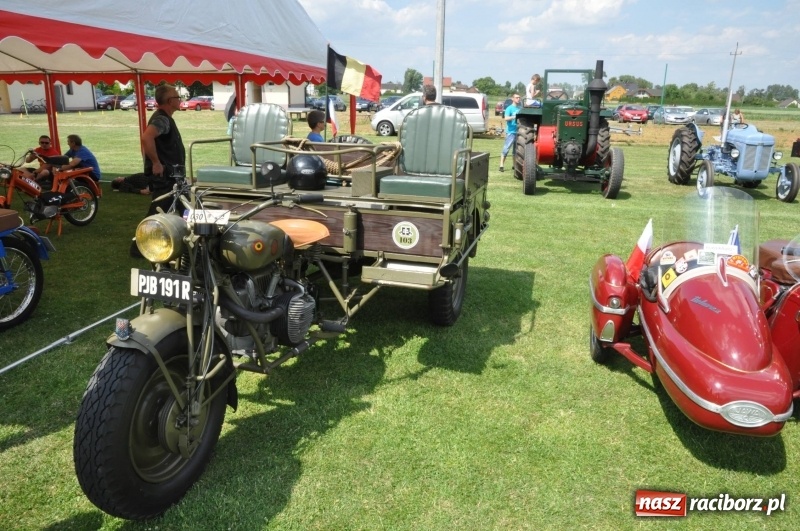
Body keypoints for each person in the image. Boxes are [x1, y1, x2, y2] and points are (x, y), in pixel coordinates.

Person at [141, 84, 185, 215]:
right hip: (166, 177)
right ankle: (147, 234)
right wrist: (156, 163)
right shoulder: (162, 119)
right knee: (158, 213)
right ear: (170, 101)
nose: (180, 100)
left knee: (185, 209)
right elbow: (146, 137)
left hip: (173, 176)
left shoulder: (165, 118)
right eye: (178, 97)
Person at [498, 93, 521, 172]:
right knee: (506, 148)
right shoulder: (509, 108)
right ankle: (501, 165)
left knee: (516, 150)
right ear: (513, 99)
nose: (518, 99)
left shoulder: (519, 108)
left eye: (519, 98)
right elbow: (506, 118)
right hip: (511, 132)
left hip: (518, 132)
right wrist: (514, 117)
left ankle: (514, 165)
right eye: (517, 98)